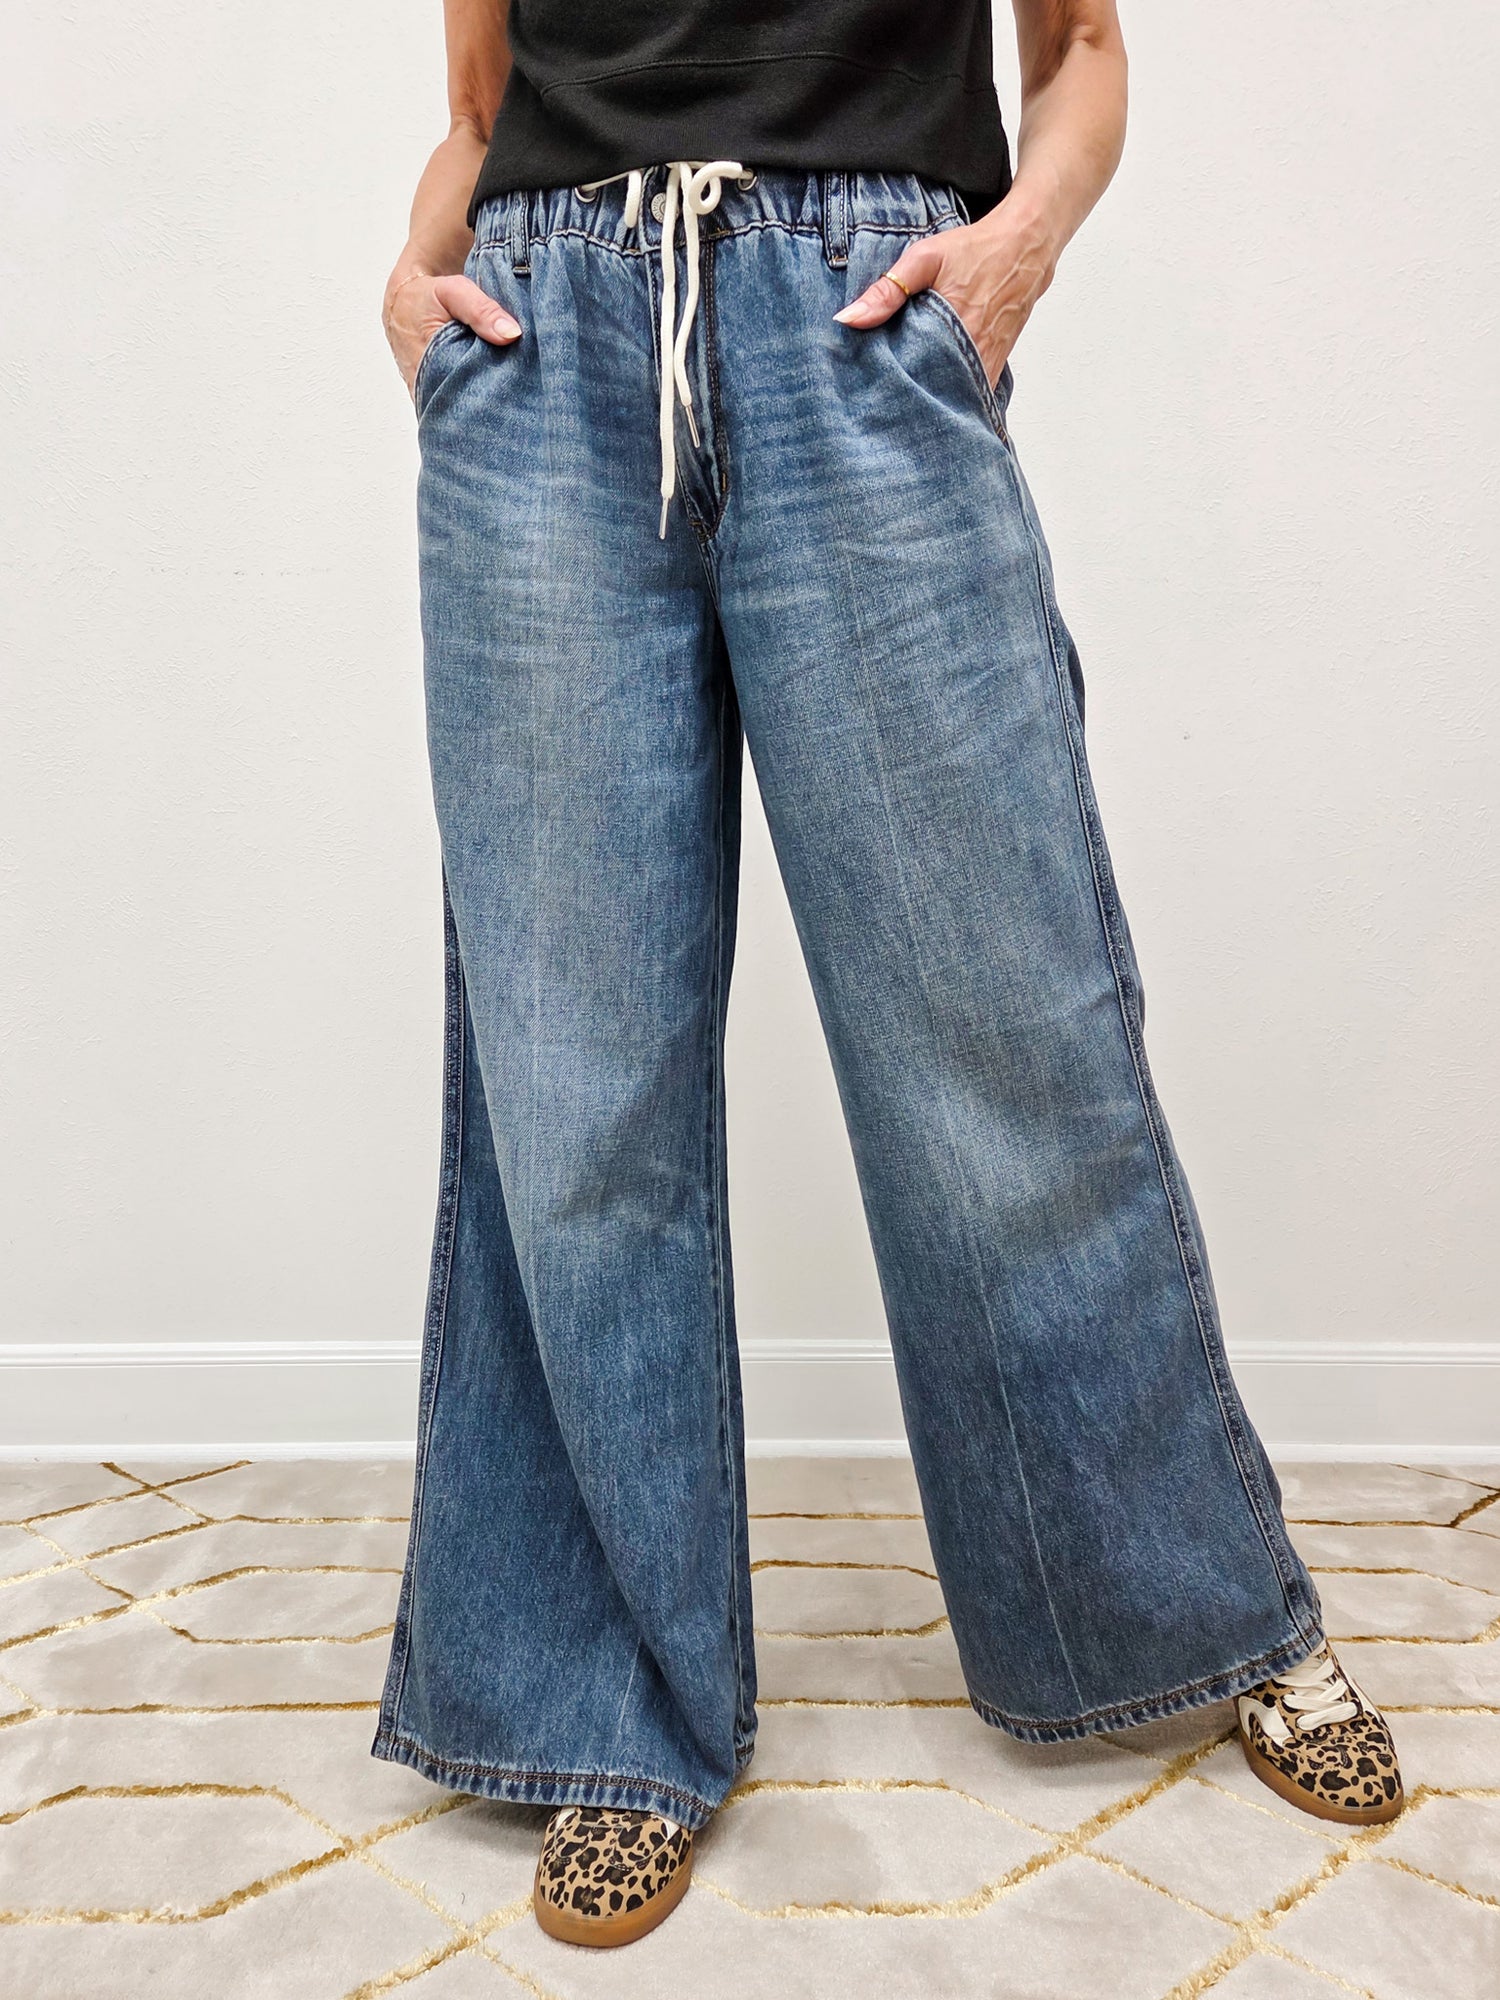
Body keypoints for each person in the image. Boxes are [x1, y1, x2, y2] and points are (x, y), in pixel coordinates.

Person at [373, 0, 1404, 1949]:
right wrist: (413, 289)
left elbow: (1080, 52)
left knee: (1004, 1038)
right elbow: (479, 105)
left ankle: (1187, 1609)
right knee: (573, 1090)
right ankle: (608, 1710)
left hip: (857, 319)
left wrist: (1018, 251)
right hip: (544, 355)